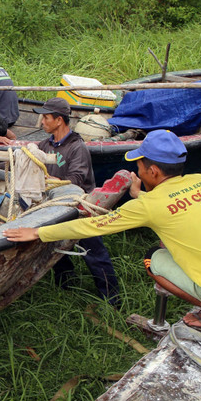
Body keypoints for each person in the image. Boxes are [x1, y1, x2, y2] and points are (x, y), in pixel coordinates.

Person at [3, 130, 201, 333]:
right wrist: (140, 196)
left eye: (140, 165)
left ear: (152, 171)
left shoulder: (150, 205)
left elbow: (90, 224)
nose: (138, 170)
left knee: (154, 259)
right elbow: (173, 208)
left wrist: (38, 233)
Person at [32, 98, 120, 306]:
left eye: (46, 117)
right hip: (56, 206)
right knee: (54, 247)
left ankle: (112, 299)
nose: (42, 122)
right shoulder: (45, 144)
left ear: (59, 120)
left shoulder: (76, 147)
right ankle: (65, 284)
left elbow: (77, 180)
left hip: (80, 208)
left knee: (93, 252)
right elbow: (27, 160)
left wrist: (51, 181)